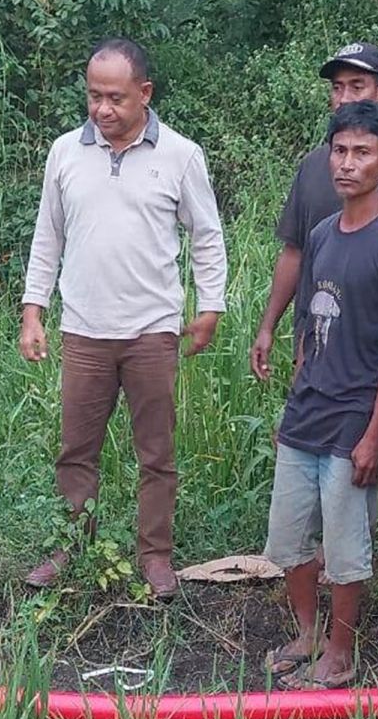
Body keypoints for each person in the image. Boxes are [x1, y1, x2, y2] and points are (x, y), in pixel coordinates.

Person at [19, 38, 228, 599]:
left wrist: (211, 307)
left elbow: (206, 236)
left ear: (145, 94)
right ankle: (73, 544)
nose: (102, 109)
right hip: (84, 329)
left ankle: (155, 556)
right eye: (93, 96)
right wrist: (32, 310)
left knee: (156, 453)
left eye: (115, 97)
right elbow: (49, 236)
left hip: (151, 331)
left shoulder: (181, 155)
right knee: (75, 449)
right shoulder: (65, 152)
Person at [263, 101, 378, 689]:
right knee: (288, 535)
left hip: (356, 417)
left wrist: (377, 433)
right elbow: (308, 326)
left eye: (362, 153)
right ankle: (306, 634)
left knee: (347, 544)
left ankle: (340, 651)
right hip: (308, 409)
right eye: (339, 150)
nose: (347, 163)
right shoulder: (322, 234)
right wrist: (293, 400)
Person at [250, 42, 378, 381]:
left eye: (357, 86)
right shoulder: (314, 164)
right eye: (337, 88)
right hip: (316, 340)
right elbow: (294, 251)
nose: (344, 97)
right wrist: (268, 326)